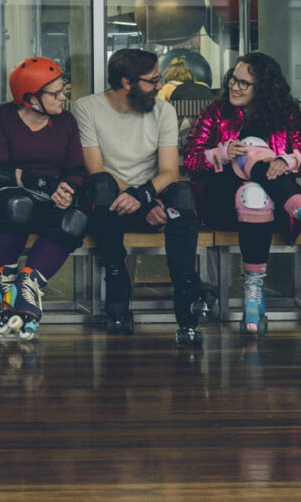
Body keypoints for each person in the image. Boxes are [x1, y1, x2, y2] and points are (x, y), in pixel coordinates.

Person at [184, 52, 301, 335]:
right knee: (252, 152)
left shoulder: (287, 114)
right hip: (219, 202)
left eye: (244, 83)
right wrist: (221, 152)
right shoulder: (215, 112)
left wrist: (288, 160)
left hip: (269, 207)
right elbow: (190, 162)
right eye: (233, 78)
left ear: (263, 89)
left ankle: (253, 293)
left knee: (256, 190)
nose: (234, 86)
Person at [71, 48, 212, 346]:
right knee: (100, 184)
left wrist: (146, 197)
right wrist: (140, 199)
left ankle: (186, 297)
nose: (159, 86)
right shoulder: (87, 108)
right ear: (126, 83)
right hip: (109, 204)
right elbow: (97, 168)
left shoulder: (163, 110)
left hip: (148, 198)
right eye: (152, 80)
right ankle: (117, 284)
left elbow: (170, 171)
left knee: (184, 195)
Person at [0, 57, 89, 339]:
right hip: (4, 199)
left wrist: (67, 190)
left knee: (75, 220)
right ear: (31, 98)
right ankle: (4, 278)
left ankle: (26, 284)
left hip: (49, 199)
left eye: (64, 90)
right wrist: (45, 183)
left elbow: (76, 169)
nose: (63, 97)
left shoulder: (66, 122)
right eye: (55, 93)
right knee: (19, 204)